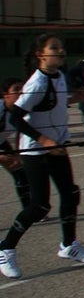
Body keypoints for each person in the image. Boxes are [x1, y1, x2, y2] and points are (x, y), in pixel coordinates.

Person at [0, 35, 84, 279]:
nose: (61, 50)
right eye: (54, 48)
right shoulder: (37, 82)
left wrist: (73, 99)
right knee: (39, 205)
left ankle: (69, 245)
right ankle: (5, 248)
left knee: (70, 193)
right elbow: (15, 117)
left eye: (61, 46)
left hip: (56, 147)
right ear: (41, 55)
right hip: (36, 150)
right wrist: (43, 140)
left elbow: (52, 104)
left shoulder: (59, 77)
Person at [0, 78, 32, 209]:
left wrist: (17, 154)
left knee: (21, 174)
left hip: (1, 142)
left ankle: (29, 210)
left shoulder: (22, 110)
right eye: (16, 89)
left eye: (23, 88)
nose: (21, 92)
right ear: (5, 95)